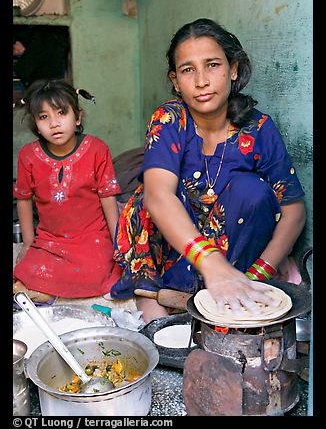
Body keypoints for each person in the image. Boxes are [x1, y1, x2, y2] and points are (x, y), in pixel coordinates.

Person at [110, 18, 306, 323]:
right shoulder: (170, 119)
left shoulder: (259, 129)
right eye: (188, 70)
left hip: (236, 249)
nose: (201, 80)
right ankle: (171, 291)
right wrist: (210, 262)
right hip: (175, 242)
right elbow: (158, 196)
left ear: (234, 69)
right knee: (156, 192)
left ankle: (230, 286)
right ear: (175, 81)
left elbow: (294, 211)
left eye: (213, 65)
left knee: (251, 191)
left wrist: (257, 276)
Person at [13, 79, 122, 303]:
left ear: (78, 117)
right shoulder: (28, 155)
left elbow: (108, 198)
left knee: (102, 272)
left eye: (61, 113)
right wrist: (27, 242)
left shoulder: (97, 149)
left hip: (92, 237)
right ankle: (47, 287)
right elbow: (23, 200)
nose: (54, 123)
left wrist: (118, 244)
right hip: (50, 240)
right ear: (35, 124)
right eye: (44, 117)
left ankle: (52, 291)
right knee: (28, 270)